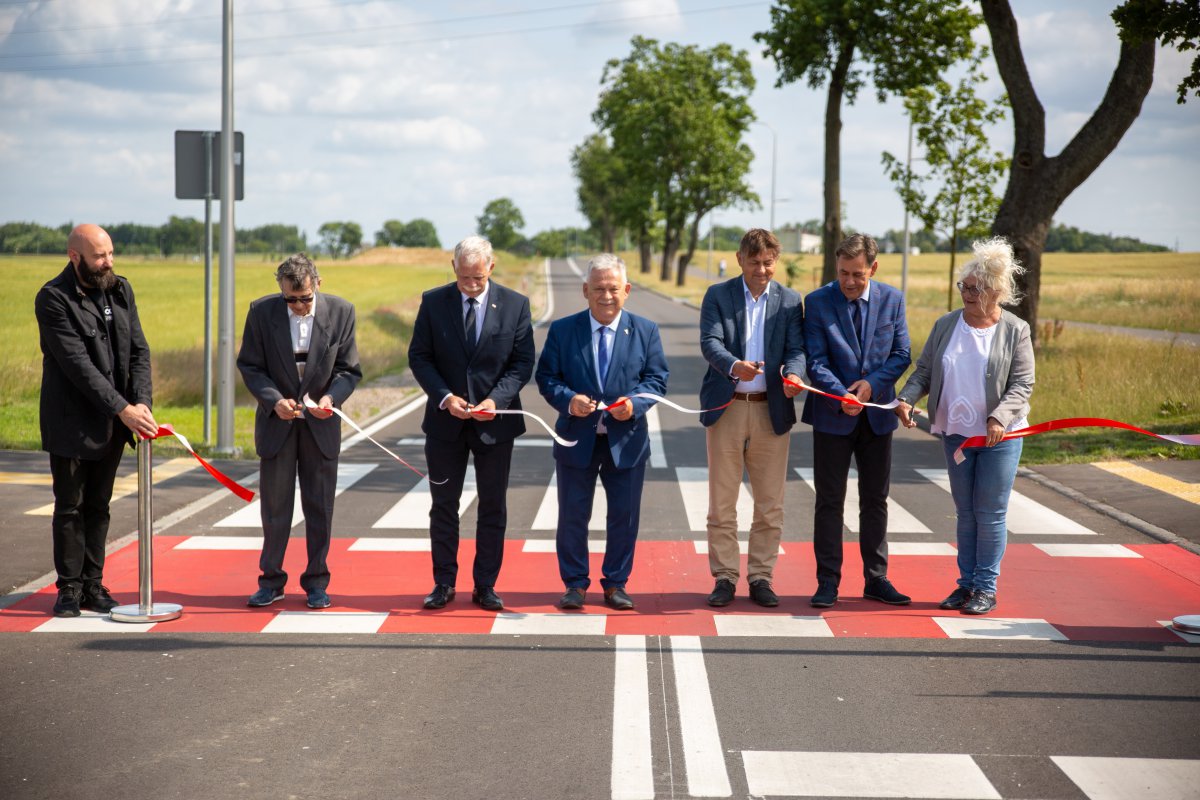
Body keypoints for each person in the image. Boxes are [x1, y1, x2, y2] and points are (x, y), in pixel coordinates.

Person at [896, 237, 1034, 616]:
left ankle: (986, 588)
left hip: (998, 437)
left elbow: (1023, 384)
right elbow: (924, 371)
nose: (967, 295)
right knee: (966, 512)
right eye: (965, 287)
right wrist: (906, 398)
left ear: (996, 292)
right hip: (957, 432)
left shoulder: (1016, 330)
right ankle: (966, 584)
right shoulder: (946, 325)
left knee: (990, 512)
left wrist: (999, 416)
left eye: (976, 289)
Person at [35, 224, 158, 617]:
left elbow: (138, 351)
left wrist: (142, 403)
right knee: (70, 505)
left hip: (114, 422)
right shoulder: (54, 298)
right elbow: (78, 366)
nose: (108, 262)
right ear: (75, 257)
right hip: (71, 421)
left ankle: (93, 584)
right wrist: (123, 408)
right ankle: (69, 588)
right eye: (99, 256)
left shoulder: (120, 290)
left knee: (99, 505)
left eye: (110, 253)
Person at [408, 236, 535, 612]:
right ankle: (443, 582)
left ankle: (485, 585)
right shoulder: (433, 302)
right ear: (453, 268)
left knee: (493, 505)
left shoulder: (515, 305)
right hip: (445, 424)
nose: (471, 284)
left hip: (495, 425)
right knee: (443, 505)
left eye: (478, 277)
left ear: (491, 268)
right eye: (464, 278)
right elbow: (420, 356)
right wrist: (445, 397)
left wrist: (496, 400)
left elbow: (522, 363)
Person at [535, 254, 669, 611]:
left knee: (624, 516)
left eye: (613, 289)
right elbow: (546, 377)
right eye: (598, 289)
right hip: (576, 438)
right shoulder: (563, 330)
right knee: (573, 515)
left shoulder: (645, 330)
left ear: (627, 290)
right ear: (585, 290)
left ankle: (616, 584)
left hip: (626, 440)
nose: (606, 296)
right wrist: (568, 400)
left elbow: (657, 379)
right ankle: (575, 584)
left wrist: (634, 405)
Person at [237, 253, 362, 610]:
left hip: (321, 425)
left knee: (319, 507)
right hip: (277, 423)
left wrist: (331, 399)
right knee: (275, 508)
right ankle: (271, 581)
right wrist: (273, 400)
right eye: (289, 299)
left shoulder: (342, 312)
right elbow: (250, 366)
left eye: (304, 298)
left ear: (318, 284)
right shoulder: (261, 312)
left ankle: (317, 582)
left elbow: (349, 370)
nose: (297, 306)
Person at [802, 234, 912, 608]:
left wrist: (871, 385)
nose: (849, 281)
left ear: (873, 268)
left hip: (877, 415)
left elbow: (901, 354)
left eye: (858, 274)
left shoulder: (893, 300)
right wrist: (842, 394)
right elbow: (815, 360)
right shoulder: (818, 302)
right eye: (843, 273)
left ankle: (876, 579)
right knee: (829, 501)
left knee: (875, 499)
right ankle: (827, 581)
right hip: (833, 415)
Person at [699, 228, 806, 608]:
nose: (762, 270)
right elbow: (710, 342)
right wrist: (733, 366)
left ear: (776, 262)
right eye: (755, 262)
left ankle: (761, 576)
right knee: (722, 503)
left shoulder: (790, 301)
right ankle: (724, 577)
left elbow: (796, 350)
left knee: (770, 504)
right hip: (727, 408)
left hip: (770, 409)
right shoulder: (718, 295)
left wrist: (794, 375)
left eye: (768, 263)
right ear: (740, 259)